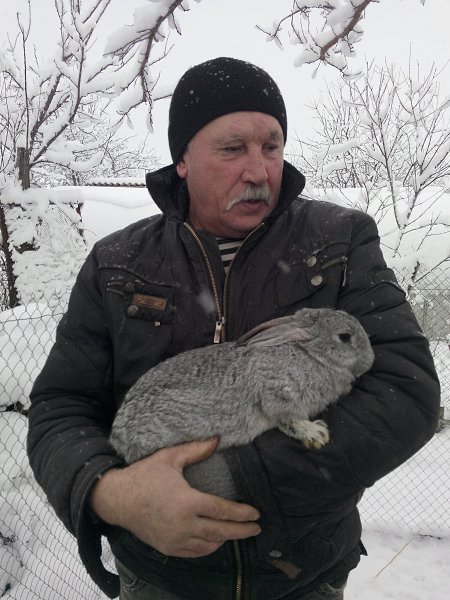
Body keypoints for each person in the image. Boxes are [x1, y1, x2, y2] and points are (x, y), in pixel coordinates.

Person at [27, 57, 440, 600]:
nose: (258, 171)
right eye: (232, 148)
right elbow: (61, 407)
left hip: (299, 575)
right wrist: (115, 494)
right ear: (182, 159)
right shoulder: (117, 263)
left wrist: (225, 480)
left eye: (271, 146)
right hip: (159, 574)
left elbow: (405, 392)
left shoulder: (339, 241)